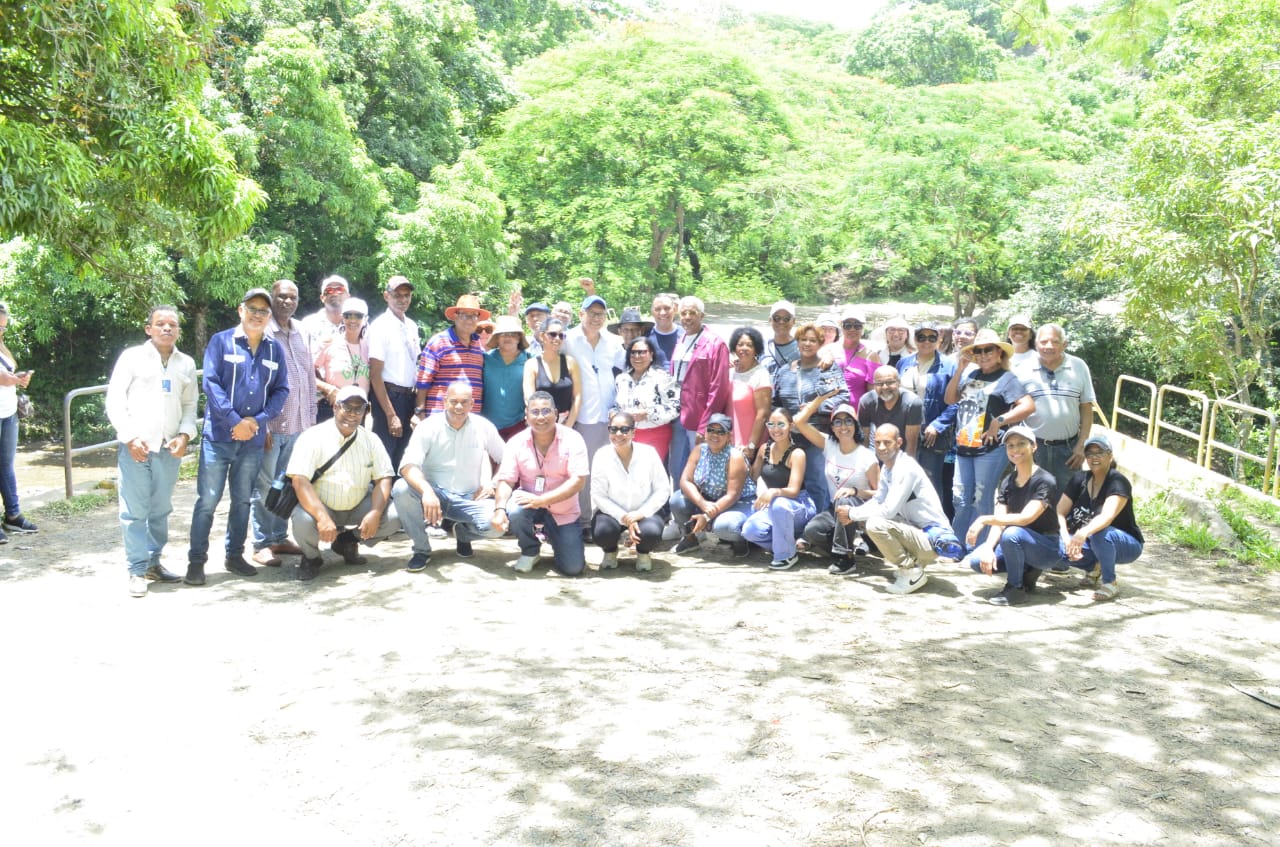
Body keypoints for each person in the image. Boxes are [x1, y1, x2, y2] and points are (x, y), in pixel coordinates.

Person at [186, 288, 289, 585]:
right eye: (252, 309)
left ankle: (234, 556)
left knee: (242, 500)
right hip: (219, 437)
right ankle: (196, 562)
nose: (258, 315)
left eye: (264, 311)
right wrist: (235, 421)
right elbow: (211, 383)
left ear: (269, 317)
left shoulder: (274, 349)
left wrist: (257, 421)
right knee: (207, 501)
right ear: (240, 310)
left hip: (252, 441)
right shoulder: (221, 341)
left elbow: (281, 389)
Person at [105, 305, 197, 597]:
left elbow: (190, 405)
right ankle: (136, 569)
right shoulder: (132, 358)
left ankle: (153, 563)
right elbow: (115, 401)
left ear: (178, 330)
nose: (167, 328)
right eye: (160, 324)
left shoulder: (185, 363)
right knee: (134, 512)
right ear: (149, 329)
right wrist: (130, 437)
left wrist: (185, 435)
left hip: (168, 449)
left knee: (160, 510)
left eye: (172, 324)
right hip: (137, 447)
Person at [286, 386, 401, 581]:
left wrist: (375, 513)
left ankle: (347, 541)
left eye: (359, 409)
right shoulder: (312, 437)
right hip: (322, 505)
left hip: (358, 504)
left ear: (365, 412)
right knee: (303, 520)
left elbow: (383, 478)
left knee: (395, 515)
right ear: (335, 407)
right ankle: (312, 558)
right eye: (347, 407)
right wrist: (322, 517)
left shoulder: (371, 440)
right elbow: (300, 480)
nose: (353, 414)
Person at [393, 381, 506, 573]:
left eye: (464, 402)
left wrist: (493, 484)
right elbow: (407, 465)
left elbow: (508, 460)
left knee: (497, 526)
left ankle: (463, 534)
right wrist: (427, 491)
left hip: (469, 498)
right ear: (445, 401)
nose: (459, 406)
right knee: (401, 488)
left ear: (472, 404)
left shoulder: (484, 426)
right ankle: (421, 549)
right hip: (435, 495)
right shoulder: (428, 426)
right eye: (454, 401)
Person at [844, 424, 960, 595]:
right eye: (878, 442)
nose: (881, 447)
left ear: (899, 443)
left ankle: (911, 571)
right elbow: (878, 500)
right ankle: (914, 565)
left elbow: (888, 511)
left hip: (932, 538)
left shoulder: (905, 467)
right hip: (916, 531)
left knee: (875, 524)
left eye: (887, 442)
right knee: (868, 518)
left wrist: (851, 514)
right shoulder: (888, 467)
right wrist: (853, 513)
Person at [945, 328, 1035, 545]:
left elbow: (1028, 405)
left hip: (989, 449)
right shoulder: (972, 375)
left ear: (999, 353)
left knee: (981, 499)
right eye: (978, 351)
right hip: (964, 447)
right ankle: (958, 544)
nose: (983, 355)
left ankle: (980, 546)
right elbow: (950, 399)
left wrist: (999, 421)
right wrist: (960, 369)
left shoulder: (1007, 378)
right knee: (960, 498)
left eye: (989, 350)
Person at [250, 279, 318, 567]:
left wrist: (311, 420)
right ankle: (261, 542)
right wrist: (262, 423)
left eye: (292, 297)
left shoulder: (302, 331)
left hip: (299, 424)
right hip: (273, 423)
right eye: (281, 297)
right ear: (272, 298)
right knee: (264, 484)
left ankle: (279, 536)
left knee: (286, 483)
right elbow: (255, 379)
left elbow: (309, 376)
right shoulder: (262, 331)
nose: (287, 302)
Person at [492, 391, 590, 576]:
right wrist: (499, 509)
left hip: (563, 511)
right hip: (529, 503)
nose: (540, 417)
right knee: (514, 510)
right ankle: (530, 550)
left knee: (573, 569)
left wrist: (543, 500)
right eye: (535, 412)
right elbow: (506, 480)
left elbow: (578, 482)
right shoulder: (516, 442)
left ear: (556, 413)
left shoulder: (573, 439)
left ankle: (556, 538)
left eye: (546, 411)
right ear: (526, 415)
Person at [963, 425, 1062, 606]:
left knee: (1012, 533)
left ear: (1034, 447)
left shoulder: (1045, 480)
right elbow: (1000, 521)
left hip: (1047, 547)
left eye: (1021, 444)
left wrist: (984, 519)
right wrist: (988, 548)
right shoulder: (1008, 481)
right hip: (1017, 540)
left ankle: (1015, 588)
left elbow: (1025, 518)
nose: (1015, 449)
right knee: (977, 561)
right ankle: (1027, 571)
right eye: (1010, 445)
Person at [795, 394, 879, 575]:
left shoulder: (867, 457)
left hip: (861, 509)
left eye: (848, 421)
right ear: (832, 427)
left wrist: (855, 491)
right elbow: (799, 422)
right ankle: (842, 548)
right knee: (812, 531)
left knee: (844, 501)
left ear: (855, 425)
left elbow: (880, 494)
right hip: (835, 509)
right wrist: (820, 399)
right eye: (838, 422)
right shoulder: (829, 445)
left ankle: (845, 558)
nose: (843, 426)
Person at [771, 322, 849, 512]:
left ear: (820, 344)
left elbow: (843, 396)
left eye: (813, 340)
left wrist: (815, 408)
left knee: (817, 481)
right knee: (792, 482)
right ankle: (797, 520)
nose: (807, 344)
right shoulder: (785, 370)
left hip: (817, 433)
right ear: (797, 342)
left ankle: (822, 522)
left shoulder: (827, 367)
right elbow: (776, 401)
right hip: (790, 436)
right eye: (803, 339)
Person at [1057, 433, 1144, 602]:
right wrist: (1066, 538)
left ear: (1110, 456)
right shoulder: (1079, 478)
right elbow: (1060, 512)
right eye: (1090, 453)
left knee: (1100, 532)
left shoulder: (1118, 482)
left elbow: (1106, 517)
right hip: (1089, 541)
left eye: (1100, 453)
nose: (1094, 457)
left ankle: (1110, 582)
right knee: (1051, 546)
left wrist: (1083, 532)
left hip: (1125, 544)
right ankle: (1094, 566)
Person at [565, 294, 626, 524]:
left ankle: (610, 520)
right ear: (581, 314)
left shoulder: (612, 341)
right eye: (591, 313)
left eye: (600, 314)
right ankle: (583, 520)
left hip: (610, 414)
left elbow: (624, 371)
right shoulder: (568, 339)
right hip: (583, 415)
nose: (596, 318)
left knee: (611, 469)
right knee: (585, 470)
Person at [1017, 323, 1097, 490]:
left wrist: (1082, 444)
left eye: (1055, 342)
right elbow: (1014, 409)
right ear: (1036, 343)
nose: (1049, 346)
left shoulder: (1078, 366)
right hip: (1033, 448)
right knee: (1032, 496)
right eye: (1044, 342)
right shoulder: (1022, 369)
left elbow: (1086, 406)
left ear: (1064, 344)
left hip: (1069, 450)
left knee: (1068, 498)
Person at [590, 411, 671, 573]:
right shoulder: (601, 455)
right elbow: (598, 495)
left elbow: (662, 489)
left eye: (624, 429)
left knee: (650, 532)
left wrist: (640, 514)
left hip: (644, 513)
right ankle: (610, 551)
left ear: (634, 432)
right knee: (602, 532)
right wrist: (625, 517)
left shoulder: (649, 453)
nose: (618, 434)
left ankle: (643, 553)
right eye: (613, 429)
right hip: (612, 513)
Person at [669, 413, 755, 557]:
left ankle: (741, 541)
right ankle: (690, 539)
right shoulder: (699, 450)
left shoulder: (735, 456)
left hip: (737, 503)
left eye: (721, 432)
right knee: (677, 501)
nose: (715, 435)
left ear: (729, 436)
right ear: (705, 432)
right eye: (711, 430)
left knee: (725, 526)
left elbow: (733, 495)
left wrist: (707, 516)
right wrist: (702, 503)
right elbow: (685, 481)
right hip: (708, 500)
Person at [742, 407, 816, 570]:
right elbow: (752, 477)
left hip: (798, 504)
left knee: (780, 505)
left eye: (781, 424)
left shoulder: (797, 453)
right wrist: (742, 457)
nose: (776, 429)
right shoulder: (764, 449)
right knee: (750, 530)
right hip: (775, 505)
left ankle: (785, 556)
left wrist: (774, 492)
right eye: (771, 424)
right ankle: (788, 546)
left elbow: (794, 490)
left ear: (790, 426)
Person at [667, 296, 731, 481]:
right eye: (684, 313)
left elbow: (718, 388)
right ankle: (678, 498)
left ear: (702, 315)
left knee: (699, 468)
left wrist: (705, 426)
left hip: (698, 415)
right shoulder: (681, 339)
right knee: (677, 467)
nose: (687, 317)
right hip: (676, 413)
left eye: (692, 313)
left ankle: (696, 499)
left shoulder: (715, 343)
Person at [897, 322, 957, 508]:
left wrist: (938, 425)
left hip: (932, 433)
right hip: (904, 430)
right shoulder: (904, 363)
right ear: (915, 339)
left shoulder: (949, 365)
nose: (926, 342)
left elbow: (957, 400)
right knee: (903, 478)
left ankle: (934, 522)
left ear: (939, 340)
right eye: (921, 337)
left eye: (932, 337)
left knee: (930, 481)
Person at [367, 275, 421, 469]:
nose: (403, 299)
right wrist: (391, 415)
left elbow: (415, 363)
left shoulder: (411, 325)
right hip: (389, 397)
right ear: (386, 296)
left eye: (407, 295)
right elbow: (375, 374)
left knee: (405, 455)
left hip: (409, 397)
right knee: (384, 457)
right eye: (397, 295)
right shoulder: (380, 326)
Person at [413, 293, 488, 420]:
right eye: (465, 315)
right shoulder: (438, 342)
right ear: (455, 316)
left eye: (474, 315)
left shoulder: (478, 345)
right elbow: (423, 380)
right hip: (441, 416)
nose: (470, 320)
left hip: (471, 418)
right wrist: (420, 410)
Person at [611, 335, 679, 465]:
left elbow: (675, 406)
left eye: (642, 352)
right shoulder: (622, 379)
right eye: (633, 353)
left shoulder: (662, 378)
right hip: (625, 435)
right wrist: (613, 413)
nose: (637, 356)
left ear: (651, 355)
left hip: (654, 435)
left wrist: (648, 413)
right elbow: (617, 405)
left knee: (648, 472)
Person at [0, 303, 36, 544]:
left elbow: (7, 375)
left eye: (3, 327)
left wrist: (19, 378)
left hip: (8, 411)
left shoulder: (2, 347)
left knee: (6, 465)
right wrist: (9, 379)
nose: (1, 331)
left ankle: (13, 515)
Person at [312, 296, 370, 423]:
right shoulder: (329, 342)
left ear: (366, 319)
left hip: (359, 411)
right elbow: (305, 372)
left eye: (358, 316)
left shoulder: (369, 347)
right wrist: (327, 388)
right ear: (342, 318)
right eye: (348, 315)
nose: (352, 320)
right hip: (332, 409)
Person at [523, 317, 581, 426]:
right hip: (540, 423)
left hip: (567, 424)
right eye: (552, 334)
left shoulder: (570, 362)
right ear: (542, 336)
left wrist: (568, 425)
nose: (557, 338)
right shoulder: (531, 365)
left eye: (561, 335)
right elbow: (529, 399)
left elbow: (577, 397)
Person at [481, 315, 531, 440]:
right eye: (503, 334)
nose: (508, 337)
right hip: (487, 424)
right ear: (497, 338)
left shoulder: (530, 359)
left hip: (519, 424)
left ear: (519, 338)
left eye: (513, 334)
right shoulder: (485, 359)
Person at [728, 326, 772, 465]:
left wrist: (751, 446)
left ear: (756, 349)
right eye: (740, 344)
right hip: (728, 440)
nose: (744, 348)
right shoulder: (730, 372)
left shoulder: (761, 375)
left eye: (749, 345)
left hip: (748, 445)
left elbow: (763, 414)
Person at [858, 365, 924, 456]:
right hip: (881, 449)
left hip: (904, 451)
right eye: (879, 383)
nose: (885, 387)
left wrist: (906, 464)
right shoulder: (867, 401)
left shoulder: (912, 403)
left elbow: (911, 444)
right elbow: (864, 438)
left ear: (899, 383)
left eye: (889, 382)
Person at [828, 306, 880, 405]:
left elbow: (873, 392)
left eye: (857, 326)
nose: (852, 329)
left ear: (863, 328)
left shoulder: (871, 356)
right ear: (841, 327)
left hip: (858, 411)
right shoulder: (828, 350)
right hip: (829, 410)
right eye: (848, 325)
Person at [301, 274, 352, 346]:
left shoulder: (358, 323)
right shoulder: (309, 323)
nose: (335, 294)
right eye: (329, 290)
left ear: (348, 297)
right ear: (322, 298)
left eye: (340, 289)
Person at [760, 300, 799, 375]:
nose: (781, 322)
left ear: (794, 321)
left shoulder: (803, 348)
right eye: (777, 318)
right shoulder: (761, 346)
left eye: (786, 318)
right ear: (770, 320)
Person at [647, 292, 682, 371]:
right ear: (652, 312)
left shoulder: (685, 335)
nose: (662, 313)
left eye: (667, 308)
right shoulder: (646, 337)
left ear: (674, 309)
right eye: (657, 309)